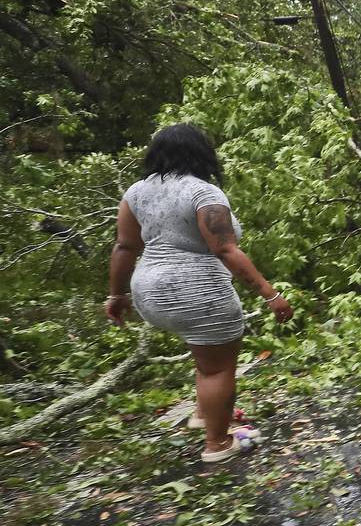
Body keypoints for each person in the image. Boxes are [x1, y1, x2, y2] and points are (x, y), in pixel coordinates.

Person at [104, 123, 294, 461]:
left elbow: (124, 246)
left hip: (150, 293)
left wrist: (116, 296)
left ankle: (204, 416)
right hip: (199, 292)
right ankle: (217, 444)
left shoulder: (135, 192)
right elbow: (225, 250)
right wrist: (270, 294)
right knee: (218, 368)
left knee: (206, 358)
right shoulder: (203, 192)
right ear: (202, 153)